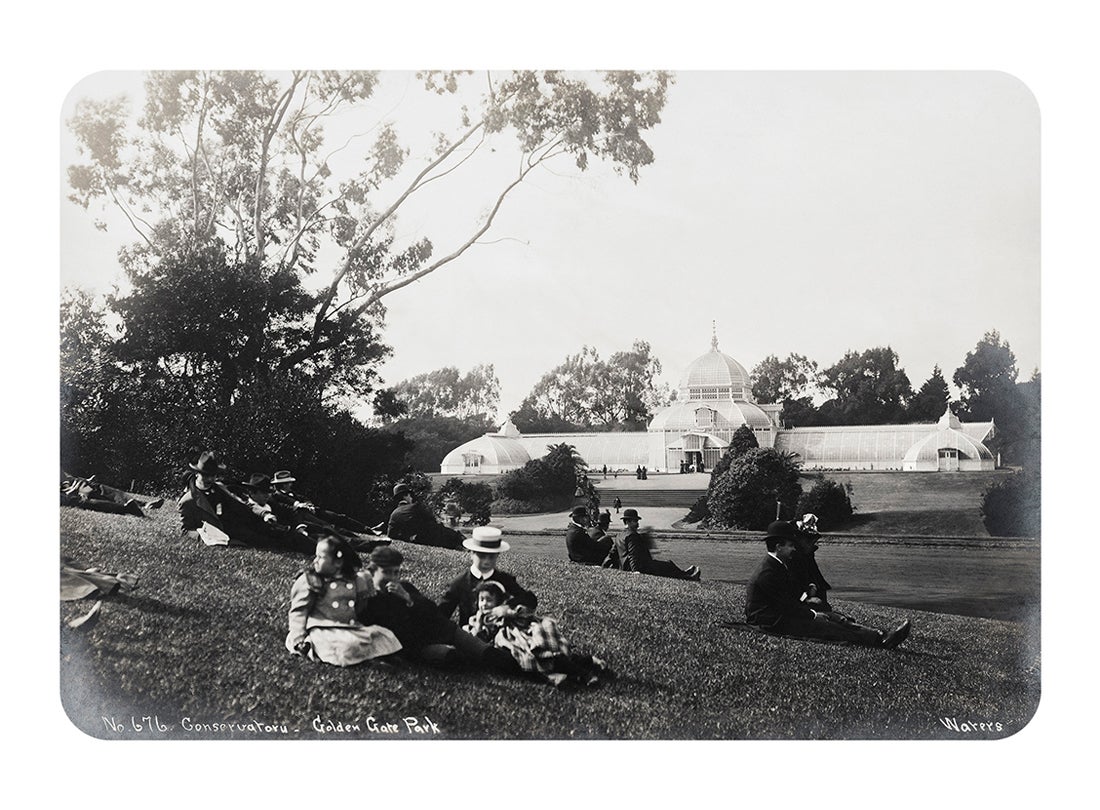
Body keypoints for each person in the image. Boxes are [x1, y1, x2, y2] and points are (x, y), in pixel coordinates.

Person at [744, 520, 911, 649]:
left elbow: (789, 597)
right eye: (790, 546)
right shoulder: (768, 572)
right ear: (778, 547)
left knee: (834, 617)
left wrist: (809, 602)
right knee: (826, 627)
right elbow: (785, 605)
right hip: (770, 621)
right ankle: (880, 640)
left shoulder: (777, 565)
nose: (794, 549)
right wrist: (813, 615)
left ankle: (881, 634)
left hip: (779, 615)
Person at [359, 546, 517, 672]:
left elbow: (433, 611)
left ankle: (531, 672)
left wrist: (408, 598)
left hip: (446, 631)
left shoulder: (405, 588)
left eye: (396, 572)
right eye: (386, 572)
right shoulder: (368, 600)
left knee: (491, 655)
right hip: (420, 645)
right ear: (372, 571)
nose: (393, 577)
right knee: (456, 659)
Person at [464, 581, 612, 688]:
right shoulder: (478, 619)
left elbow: (526, 615)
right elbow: (479, 639)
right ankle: (557, 677)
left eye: (489, 600)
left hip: (524, 638)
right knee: (525, 660)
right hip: (509, 644)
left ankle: (584, 673)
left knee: (548, 654)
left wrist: (509, 613)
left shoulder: (507, 612)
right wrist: (479, 626)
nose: (484, 604)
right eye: (481, 600)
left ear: (499, 602)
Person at [285, 533, 402, 666]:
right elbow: (299, 612)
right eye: (316, 556)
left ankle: (374, 655)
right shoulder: (312, 581)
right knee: (345, 645)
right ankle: (310, 645)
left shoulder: (354, 580)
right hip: (321, 628)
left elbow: (360, 606)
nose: (315, 561)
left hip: (348, 626)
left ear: (338, 562)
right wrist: (298, 636)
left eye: (320, 557)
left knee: (383, 635)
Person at [177, 450, 313, 553]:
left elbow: (242, 504)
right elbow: (185, 530)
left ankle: (319, 548)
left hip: (244, 521)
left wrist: (263, 515)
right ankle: (313, 550)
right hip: (228, 532)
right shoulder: (188, 500)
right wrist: (203, 538)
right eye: (206, 475)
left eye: (214, 475)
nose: (211, 479)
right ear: (196, 474)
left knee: (281, 531)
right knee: (270, 542)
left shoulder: (219, 487)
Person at [438, 527, 538, 627]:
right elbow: (442, 614)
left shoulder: (504, 579)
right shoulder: (460, 582)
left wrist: (507, 607)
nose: (486, 561)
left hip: (500, 633)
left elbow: (530, 599)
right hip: (470, 636)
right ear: (472, 554)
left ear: (497, 555)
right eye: (481, 556)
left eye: (491, 556)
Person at [618, 509, 701, 580]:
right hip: (641, 567)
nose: (637, 524)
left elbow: (614, 553)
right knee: (667, 566)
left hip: (630, 566)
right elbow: (633, 554)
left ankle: (684, 573)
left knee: (668, 565)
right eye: (635, 521)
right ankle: (688, 577)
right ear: (628, 521)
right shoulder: (632, 535)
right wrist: (635, 571)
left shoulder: (619, 535)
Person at [386, 483, 464, 550]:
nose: (411, 498)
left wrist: (408, 538)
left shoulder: (393, 514)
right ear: (406, 495)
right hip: (429, 537)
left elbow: (391, 534)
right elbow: (432, 520)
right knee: (454, 535)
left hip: (417, 539)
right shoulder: (415, 507)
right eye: (410, 496)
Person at [61, 473, 164, 517]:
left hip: (75, 484)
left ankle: (143, 504)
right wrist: (71, 490)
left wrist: (82, 481)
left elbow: (67, 478)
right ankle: (127, 508)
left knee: (100, 488)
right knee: (84, 498)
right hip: (67, 492)